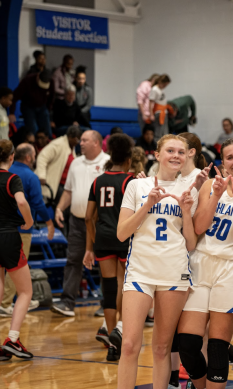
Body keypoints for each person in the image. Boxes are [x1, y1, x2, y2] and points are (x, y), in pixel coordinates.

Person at [178, 137, 233, 389]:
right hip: (201, 264)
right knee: (188, 344)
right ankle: (200, 385)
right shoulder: (210, 185)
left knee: (221, 344)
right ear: (223, 163)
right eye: (230, 157)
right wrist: (217, 195)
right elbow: (198, 227)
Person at [116, 134, 198, 389]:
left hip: (174, 272)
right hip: (140, 271)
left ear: (187, 157)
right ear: (157, 154)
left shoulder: (188, 189)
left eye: (181, 152)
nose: (176, 156)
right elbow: (121, 233)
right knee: (129, 344)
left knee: (162, 347)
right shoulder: (136, 186)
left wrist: (186, 211)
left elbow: (191, 243)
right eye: (170, 150)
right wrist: (147, 205)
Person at [84, 134, 135, 362]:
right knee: (124, 286)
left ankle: (111, 343)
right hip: (124, 239)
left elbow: (88, 217)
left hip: (103, 239)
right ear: (128, 159)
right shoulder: (130, 181)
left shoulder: (98, 181)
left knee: (108, 288)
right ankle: (120, 334)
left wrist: (91, 246)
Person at [50, 131, 110, 317]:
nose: (80, 143)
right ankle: (67, 303)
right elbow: (68, 191)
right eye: (81, 140)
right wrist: (60, 208)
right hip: (76, 221)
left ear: (96, 143)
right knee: (73, 259)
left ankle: (106, 304)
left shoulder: (107, 162)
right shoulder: (75, 162)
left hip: (100, 222)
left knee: (105, 264)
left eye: (84, 140)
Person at [1, 143, 54, 316]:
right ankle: (7, 302)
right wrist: (48, 222)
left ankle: (18, 298)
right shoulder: (28, 176)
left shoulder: (10, 172)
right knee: (14, 267)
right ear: (29, 157)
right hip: (18, 229)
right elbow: (37, 203)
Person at [0, 139, 35, 360]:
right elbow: (22, 202)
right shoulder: (13, 178)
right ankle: (12, 339)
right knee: (25, 291)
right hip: (8, 236)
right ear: (12, 157)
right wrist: (29, 222)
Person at [35, 126, 80, 201]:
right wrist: (41, 176)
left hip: (65, 185)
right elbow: (42, 157)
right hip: (56, 184)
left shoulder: (71, 146)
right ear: (70, 137)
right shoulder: (58, 144)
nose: (78, 142)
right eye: (77, 139)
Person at [8, 69, 54, 137]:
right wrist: (12, 112)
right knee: (33, 130)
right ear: (38, 76)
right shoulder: (28, 81)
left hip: (42, 106)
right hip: (28, 106)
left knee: (47, 131)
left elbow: (51, 98)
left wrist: (48, 109)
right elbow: (14, 97)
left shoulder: (51, 82)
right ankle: (34, 146)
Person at [149, 74, 172, 139]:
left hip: (164, 112)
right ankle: (157, 147)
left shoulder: (161, 90)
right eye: (164, 84)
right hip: (158, 112)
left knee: (165, 133)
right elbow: (151, 102)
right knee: (158, 133)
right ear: (160, 81)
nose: (164, 86)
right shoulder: (154, 89)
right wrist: (151, 114)